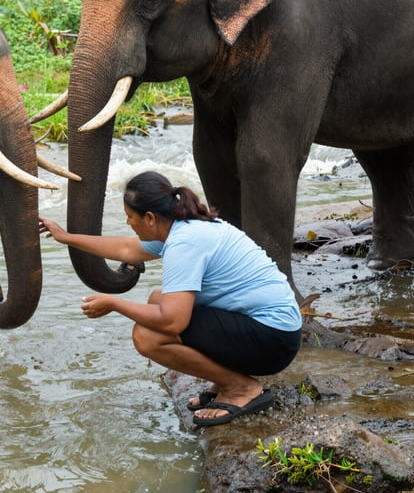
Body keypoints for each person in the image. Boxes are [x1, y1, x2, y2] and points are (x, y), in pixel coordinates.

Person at [38, 171, 302, 427]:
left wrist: (114, 303)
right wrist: (66, 237)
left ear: (150, 218)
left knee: (147, 336)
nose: (128, 223)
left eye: (130, 217)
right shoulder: (185, 227)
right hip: (274, 329)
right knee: (157, 298)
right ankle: (225, 380)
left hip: (273, 340)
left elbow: (172, 322)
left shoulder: (184, 244)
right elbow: (126, 248)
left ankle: (240, 387)